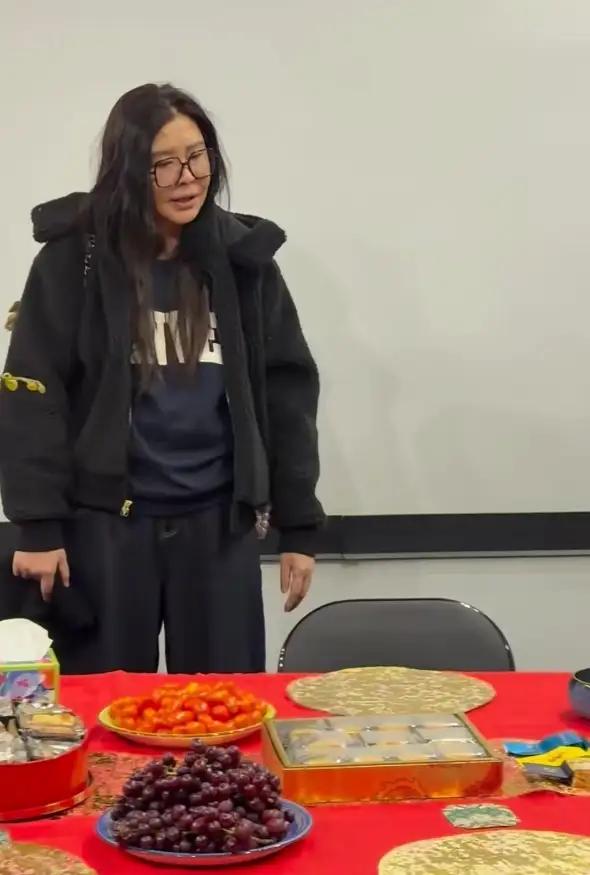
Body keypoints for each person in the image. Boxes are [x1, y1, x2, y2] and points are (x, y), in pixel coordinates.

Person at [0, 83, 324, 675]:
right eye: (163, 165)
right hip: (107, 528)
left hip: (218, 526)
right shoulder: (74, 261)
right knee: (103, 706)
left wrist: (299, 525)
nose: (187, 178)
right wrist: (37, 526)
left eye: (197, 156)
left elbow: (288, 396)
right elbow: (33, 394)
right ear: (127, 172)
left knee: (224, 707)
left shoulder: (245, 262)